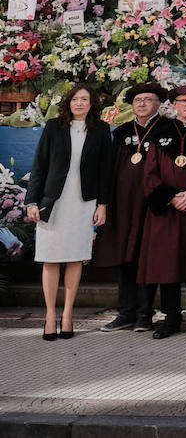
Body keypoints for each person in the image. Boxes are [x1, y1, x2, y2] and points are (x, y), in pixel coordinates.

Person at [24, 84, 113, 340]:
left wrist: (103, 205)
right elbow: (39, 165)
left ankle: (68, 314)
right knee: (50, 258)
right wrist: (32, 201)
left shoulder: (101, 130)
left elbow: (105, 171)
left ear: (92, 103)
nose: (79, 103)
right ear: (68, 102)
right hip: (53, 202)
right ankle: (50, 315)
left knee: (75, 258)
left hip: (83, 202)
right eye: (75, 99)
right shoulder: (54, 127)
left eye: (85, 99)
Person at [139, 85, 186, 338]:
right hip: (167, 210)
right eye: (183, 101)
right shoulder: (159, 133)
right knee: (167, 265)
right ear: (173, 104)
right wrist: (171, 197)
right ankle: (171, 318)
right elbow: (148, 174)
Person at [94, 83, 169, 333]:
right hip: (124, 203)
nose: (142, 104)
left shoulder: (167, 130)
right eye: (138, 100)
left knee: (147, 257)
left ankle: (145, 313)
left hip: (153, 204)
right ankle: (125, 312)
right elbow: (108, 168)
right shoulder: (122, 132)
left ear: (159, 103)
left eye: (148, 99)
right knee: (125, 257)